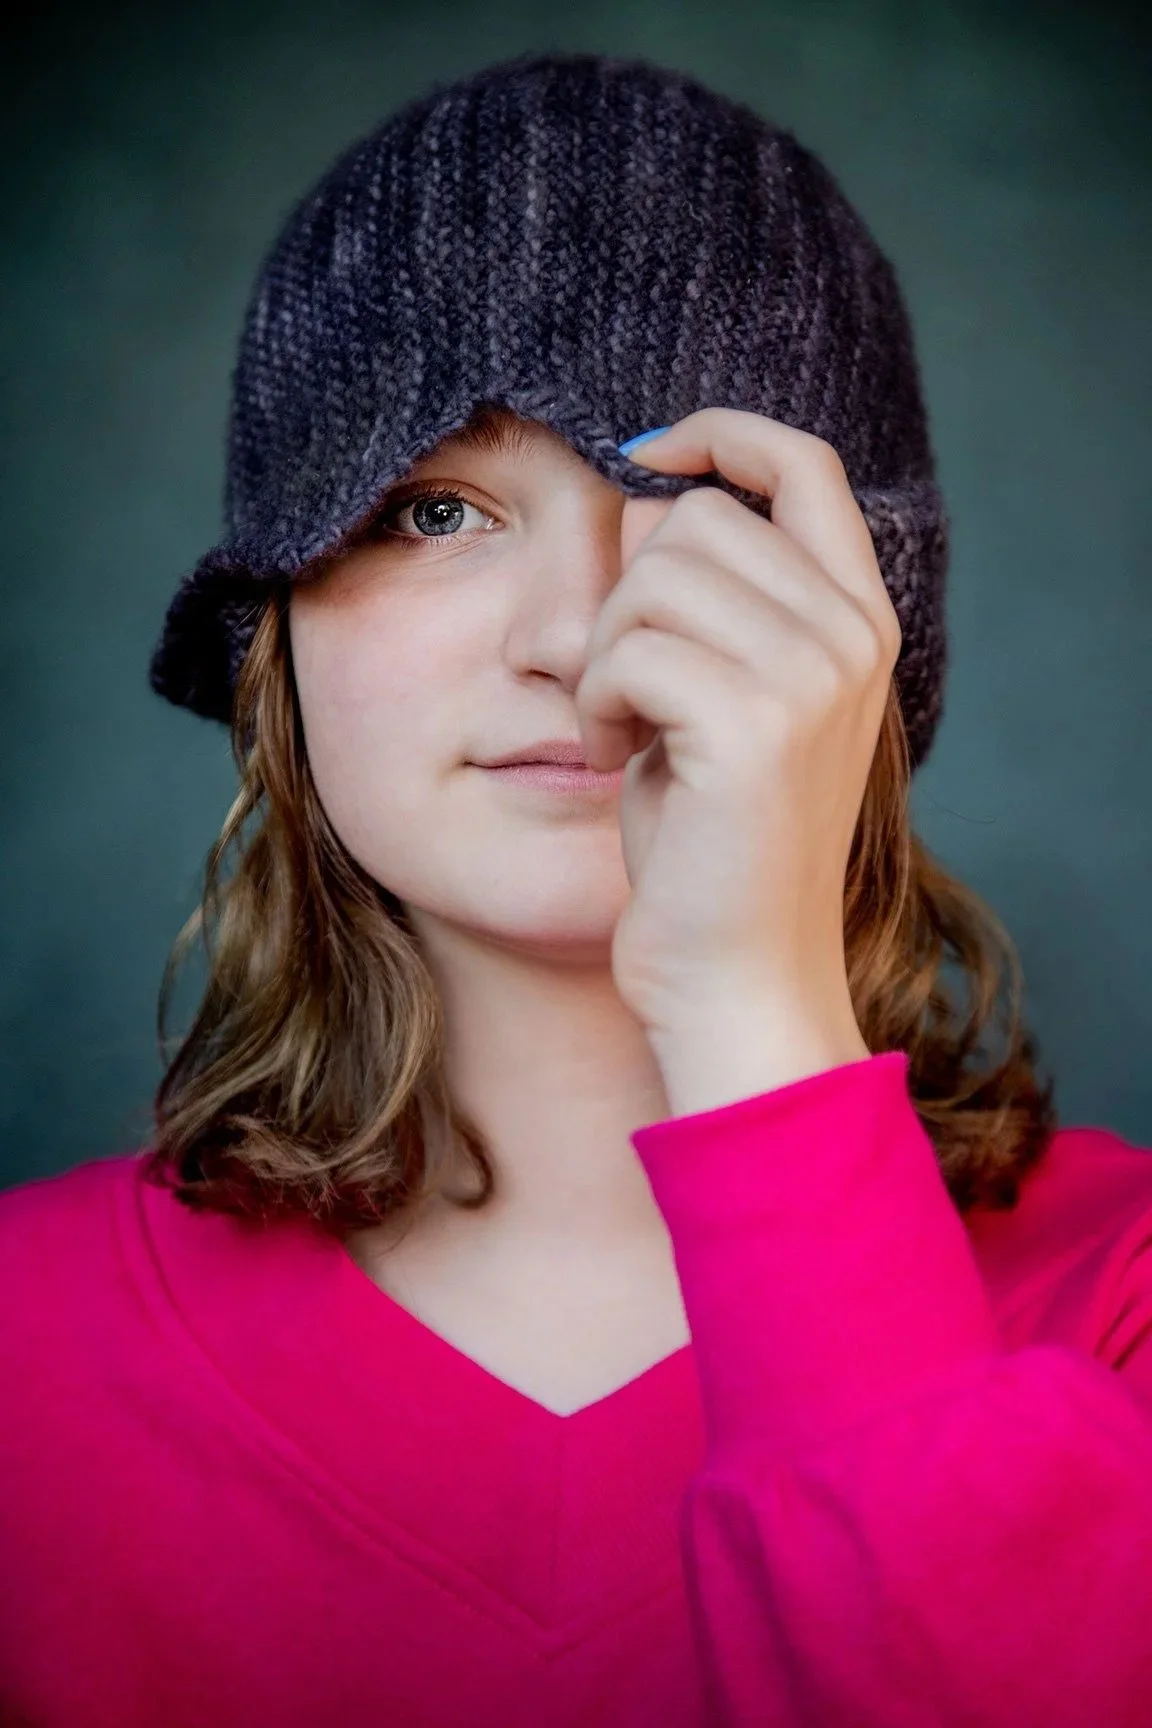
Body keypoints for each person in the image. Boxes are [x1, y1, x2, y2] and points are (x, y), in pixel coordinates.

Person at [2, 47, 1151, 1728]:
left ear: (865, 633)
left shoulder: (1122, 1298)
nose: (579, 640)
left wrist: (748, 1010)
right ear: (273, 635)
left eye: (700, 508)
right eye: (436, 510)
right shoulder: (22, 1346)